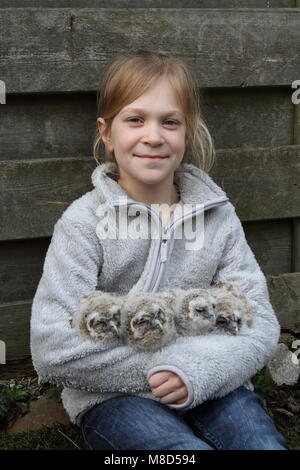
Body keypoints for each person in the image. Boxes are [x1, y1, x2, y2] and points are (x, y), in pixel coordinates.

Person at [30, 50, 288, 450]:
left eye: (169, 122)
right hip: (115, 398)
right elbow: (53, 350)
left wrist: (195, 371)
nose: (153, 136)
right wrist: (163, 369)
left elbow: (259, 324)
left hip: (212, 382)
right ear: (106, 132)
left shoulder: (218, 218)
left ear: (187, 132)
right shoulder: (83, 224)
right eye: (135, 119)